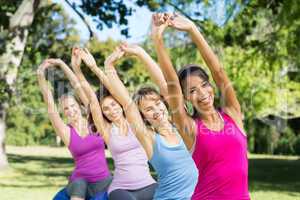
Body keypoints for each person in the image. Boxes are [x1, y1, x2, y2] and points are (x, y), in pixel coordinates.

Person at [151, 12, 250, 200]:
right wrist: (157, 39)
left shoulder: (232, 114)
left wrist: (192, 29)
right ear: (186, 97)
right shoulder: (190, 127)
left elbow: (218, 72)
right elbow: (172, 84)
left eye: (205, 85)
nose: (203, 94)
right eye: (193, 90)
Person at [102, 46, 198, 200]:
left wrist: (141, 53)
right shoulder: (149, 138)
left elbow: (162, 83)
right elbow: (127, 103)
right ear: (143, 117)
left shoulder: (180, 125)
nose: (156, 110)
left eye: (158, 103)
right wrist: (108, 66)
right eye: (148, 109)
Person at [72, 47, 159, 200]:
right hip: (121, 189)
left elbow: (115, 89)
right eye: (105, 109)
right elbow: (92, 100)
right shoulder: (107, 130)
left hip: (148, 185)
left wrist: (94, 67)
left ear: (120, 104)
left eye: (113, 105)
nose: (111, 110)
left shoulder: (135, 121)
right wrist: (77, 70)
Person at [37, 53, 111, 200]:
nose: (71, 110)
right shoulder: (65, 131)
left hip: (103, 180)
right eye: (66, 109)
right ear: (63, 112)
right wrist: (40, 75)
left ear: (80, 106)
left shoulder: (94, 122)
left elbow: (78, 86)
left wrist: (62, 64)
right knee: (79, 185)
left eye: (73, 106)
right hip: (79, 181)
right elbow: (49, 102)